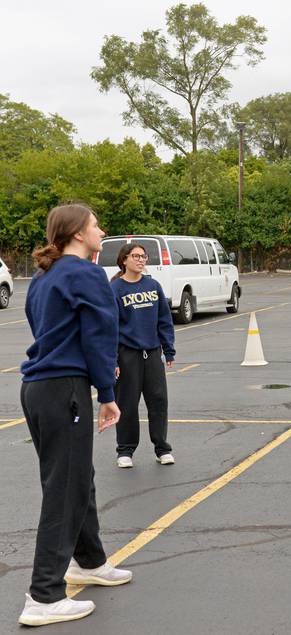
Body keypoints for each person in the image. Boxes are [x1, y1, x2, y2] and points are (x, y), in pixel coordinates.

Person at [18, 203, 132, 627]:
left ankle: (89, 561)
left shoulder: (44, 276)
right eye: (96, 225)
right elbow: (101, 336)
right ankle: (43, 595)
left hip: (37, 389)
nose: (102, 229)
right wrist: (107, 393)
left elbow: (41, 327)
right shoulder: (87, 274)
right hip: (64, 390)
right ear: (79, 234)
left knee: (76, 476)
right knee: (65, 487)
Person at [110, 242, 176, 468]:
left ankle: (162, 448)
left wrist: (168, 349)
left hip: (152, 352)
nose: (140, 260)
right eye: (136, 256)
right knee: (127, 404)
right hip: (127, 354)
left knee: (158, 401)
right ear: (124, 260)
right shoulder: (116, 289)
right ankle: (125, 451)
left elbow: (164, 321)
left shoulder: (153, 286)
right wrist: (113, 359)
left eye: (143, 257)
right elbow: (110, 328)